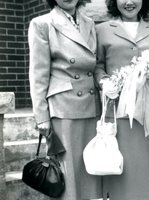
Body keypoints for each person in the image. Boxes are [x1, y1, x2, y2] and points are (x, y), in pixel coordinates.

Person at [94, 0, 149, 200]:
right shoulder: (101, 30)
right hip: (118, 109)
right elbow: (97, 66)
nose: (129, 2)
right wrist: (104, 82)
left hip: (148, 111)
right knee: (125, 169)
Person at [28, 0, 102, 199]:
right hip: (64, 108)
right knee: (69, 173)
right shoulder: (42, 23)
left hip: (92, 105)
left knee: (92, 168)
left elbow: (95, 66)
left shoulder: (89, 23)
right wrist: (41, 117)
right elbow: (38, 74)